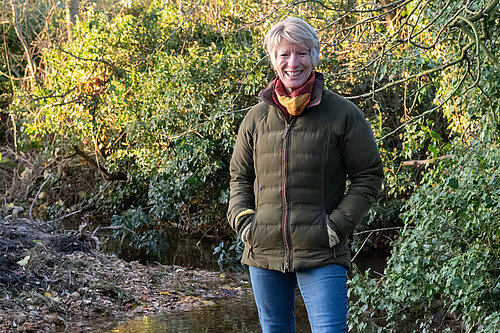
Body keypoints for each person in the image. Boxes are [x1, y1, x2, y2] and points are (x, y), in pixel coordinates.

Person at [227, 17, 383, 333]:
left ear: (315, 55)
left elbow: (368, 175)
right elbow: (239, 176)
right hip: (264, 252)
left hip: (322, 251)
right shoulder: (256, 118)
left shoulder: (343, 115)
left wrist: (336, 226)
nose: (293, 63)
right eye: (284, 54)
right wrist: (244, 221)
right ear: (273, 59)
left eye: (301, 53)